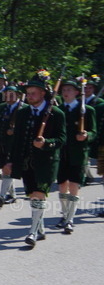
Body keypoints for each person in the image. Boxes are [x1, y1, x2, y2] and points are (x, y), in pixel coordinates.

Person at [4, 70, 66, 248]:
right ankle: (40, 227)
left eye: (33, 93)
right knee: (33, 196)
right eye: (28, 93)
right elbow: (16, 141)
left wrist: (46, 143)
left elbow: (62, 140)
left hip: (46, 163)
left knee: (39, 194)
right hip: (26, 162)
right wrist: (10, 160)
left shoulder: (56, 114)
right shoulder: (23, 113)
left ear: (43, 93)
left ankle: (31, 231)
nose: (30, 96)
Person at [53, 77, 96, 233]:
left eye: (69, 90)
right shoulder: (59, 111)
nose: (66, 92)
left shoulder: (86, 110)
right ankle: (64, 215)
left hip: (78, 154)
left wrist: (86, 136)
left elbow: (94, 132)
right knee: (62, 185)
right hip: (61, 153)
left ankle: (70, 219)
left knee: (73, 185)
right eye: (64, 90)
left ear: (77, 92)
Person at [0, 85, 26, 207]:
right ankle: (12, 195)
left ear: (17, 95)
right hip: (2, 144)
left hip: (15, 145)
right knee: (5, 169)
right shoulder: (1, 107)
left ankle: (1, 195)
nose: (8, 96)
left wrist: (15, 131)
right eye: (6, 93)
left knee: (8, 169)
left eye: (11, 93)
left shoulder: (24, 109)